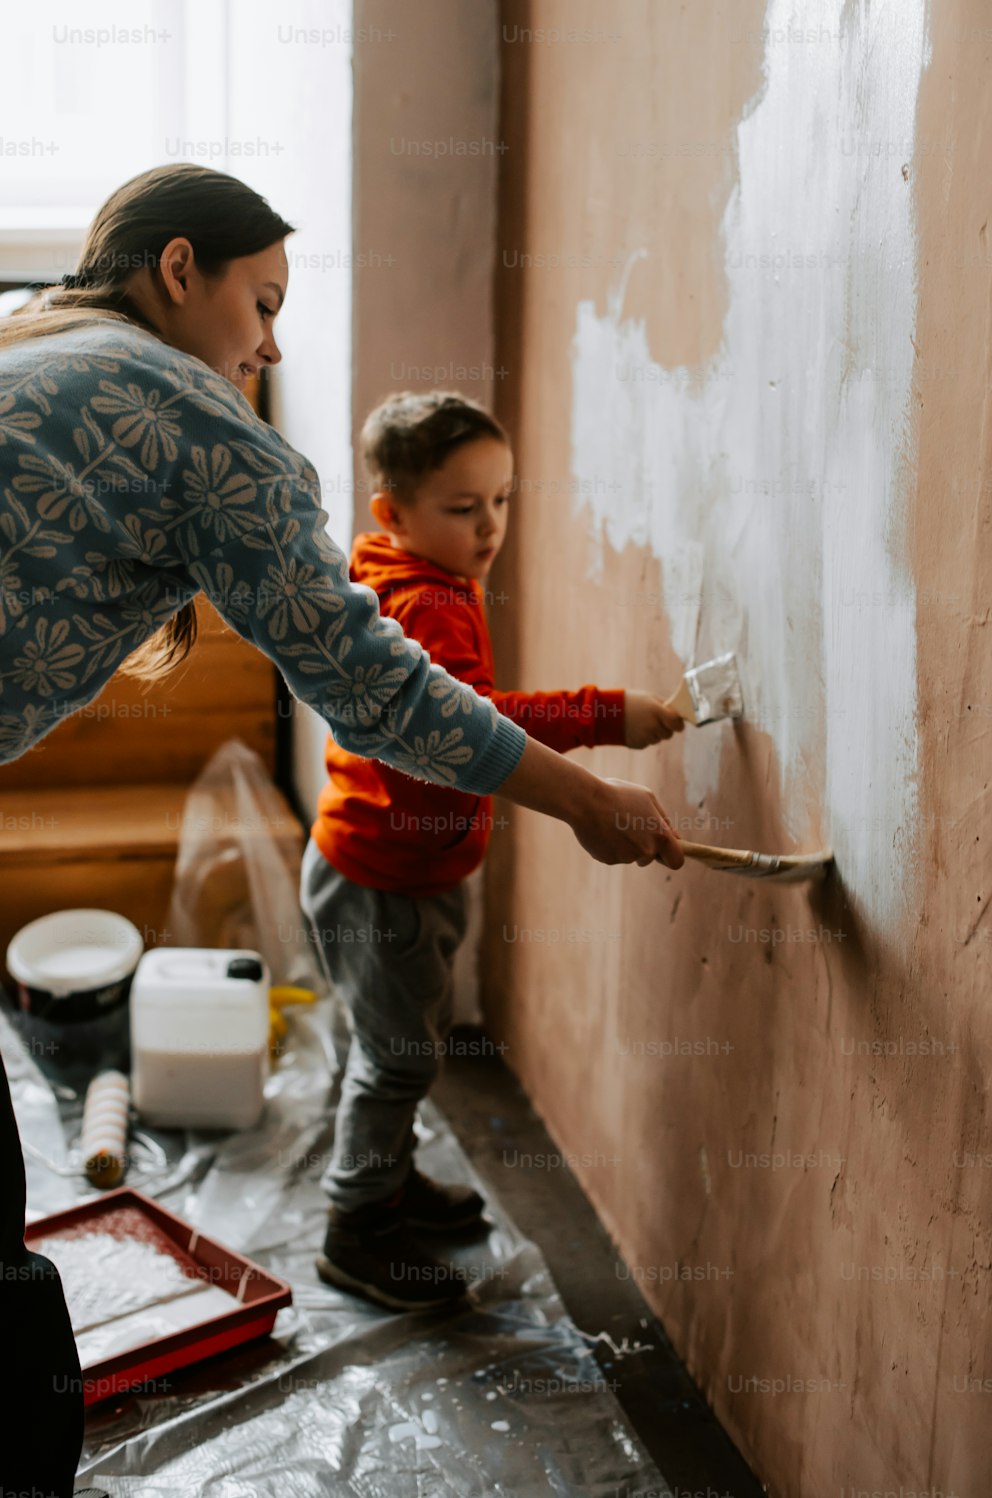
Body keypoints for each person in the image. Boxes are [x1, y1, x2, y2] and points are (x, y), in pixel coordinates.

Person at [0, 163, 683, 1493]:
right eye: (260, 302)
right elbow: (382, 690)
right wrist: (584, 789)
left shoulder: (42, 342)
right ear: (176, 269)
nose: (268, 345)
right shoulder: (196, 422)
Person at [301, 391, 686, 1311]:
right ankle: (357, 1226)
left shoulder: (395, 565)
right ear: (395, 512)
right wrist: (604, 715)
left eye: (503, 501)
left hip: (402, 866)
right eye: (464, 508)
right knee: (396, 1059)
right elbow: (481, 725)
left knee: (402, 1045)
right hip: (385, 878)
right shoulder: (425, 601)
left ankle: (386, 1180)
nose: (491, 528)